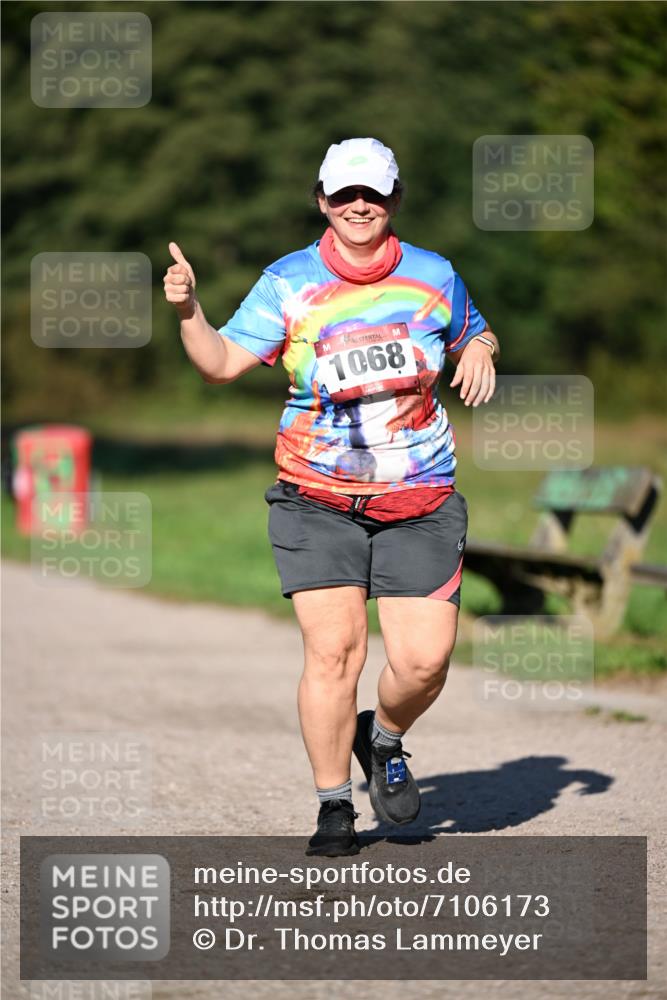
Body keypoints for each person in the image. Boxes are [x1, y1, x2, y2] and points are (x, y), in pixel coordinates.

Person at [164, 137, 499, 857]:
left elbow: (472, 329)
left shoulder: (433, 274)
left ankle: (382, 741)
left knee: (423, 662)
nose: (357, 206)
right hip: (314, 498)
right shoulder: (288, 281)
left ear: (393, 201)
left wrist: (479, 348)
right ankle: (333, 809)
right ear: (321, 200)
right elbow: (221, 363)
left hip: (420, 498)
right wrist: (190, 310)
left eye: (371, 195)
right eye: (344, 194)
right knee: (334, 653)